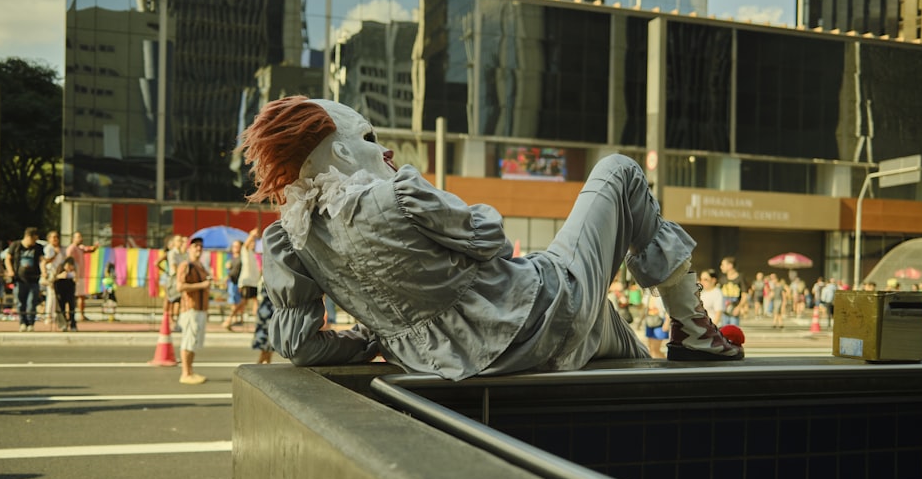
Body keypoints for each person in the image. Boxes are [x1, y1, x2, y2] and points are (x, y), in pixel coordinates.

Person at [239, 96, 742, 380]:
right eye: (370, 138)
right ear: (345, 156)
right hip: (540, 312)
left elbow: (300, 346)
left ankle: (681, 342)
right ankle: (695, 332)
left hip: (447, 363)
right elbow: (491, 240)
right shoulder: (397, 194)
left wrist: (381, 337)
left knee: (606, 323)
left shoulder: (290, 239)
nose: (386, 149)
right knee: (619, 171)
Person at [176, 236, 212, 384]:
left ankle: (190, 371)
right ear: (189, 248)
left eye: (200, 246)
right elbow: (180, 286)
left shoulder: (201, 266)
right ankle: (185, 373)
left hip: (200, 309)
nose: (198, 248)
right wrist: (202, 285)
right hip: (190, 308)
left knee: (194, 342)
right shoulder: (186, 265)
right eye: (195, 246)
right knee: (188, 341)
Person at [4, 227, 46, 331]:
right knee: (20, 302)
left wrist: (44, 272)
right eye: (34, 239)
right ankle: (22, 322)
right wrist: (10, 271)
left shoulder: (38, 247)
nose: (34, 242)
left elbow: (42, 260)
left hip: (34, 279)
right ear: (28, 237)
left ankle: (30, 323)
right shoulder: (16, 245)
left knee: (32, 302)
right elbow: (8, 259)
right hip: (19, 279)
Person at [65, 231, 98, 321]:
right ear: (73, 238)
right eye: (78, 237)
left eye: (81, 236)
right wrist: (73, 273)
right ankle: (69, 315)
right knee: (70, 296)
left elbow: (90, 250)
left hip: (81, 276)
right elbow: (68, 262)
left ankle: (82, 315)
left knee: (81, 296)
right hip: (74, 276)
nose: (80, 238)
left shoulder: (80, 248)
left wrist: (95, 247)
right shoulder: (71, 248)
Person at [42, 230, 66, 325]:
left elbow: (61, 262)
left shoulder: (60, 249)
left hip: (58, 274)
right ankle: (48, 316)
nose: (55, 239)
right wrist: (55, 254)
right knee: (51, 295)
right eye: (53, 237)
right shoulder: (49, 248)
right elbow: (45, 261)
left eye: (57, 237)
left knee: (56, 296)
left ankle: (55, 315)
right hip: (50, 273)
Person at [251, 275, 275, 364]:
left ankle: (265, 362)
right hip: (268, 311)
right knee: (267, 340)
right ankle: (262, 362)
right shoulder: (267, 278)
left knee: (269, 340)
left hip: (267, 310)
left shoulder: (265, 278)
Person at [719, 256, 749, 327]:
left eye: (723, 265)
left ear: (730, 265)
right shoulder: (722, 279)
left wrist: (739, 307)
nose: (721, 267)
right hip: (724, 310)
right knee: (724, 331)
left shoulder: (740, 278)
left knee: (733, 330)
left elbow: (745, 295)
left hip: (734, 309)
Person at [221, 240, 243, 330]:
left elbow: (235, 272)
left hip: (238, 283)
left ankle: (235, 319)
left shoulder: (241, 258)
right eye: (234, 246)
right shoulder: (232, 259)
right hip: (233, 283)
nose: (235, 248)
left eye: (237, 246)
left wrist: (226, 278)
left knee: (239, 301)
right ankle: (234, 318)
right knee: (233, 301)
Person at [53, 256, 79, 331]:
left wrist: (74, 275)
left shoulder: (73, 271)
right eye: (68, 266)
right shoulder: (60, 268)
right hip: (60, 289)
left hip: (70, 289)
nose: (69, 268)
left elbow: (76, 279)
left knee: (72, 306)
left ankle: (72, 324)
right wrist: (60, 276)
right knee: (60, 307)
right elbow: (53, 278)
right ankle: (62, 324)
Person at [642, 291, 669, 358]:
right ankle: (655, 367)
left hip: (660, 321)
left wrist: (667, 322)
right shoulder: (648, 292)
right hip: (650, 320)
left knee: (655, 350)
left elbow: (668, 308)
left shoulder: (662, 291)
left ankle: (668, 365)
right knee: (651, 350)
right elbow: (644, 306)